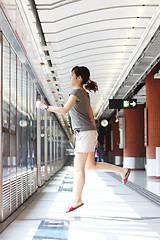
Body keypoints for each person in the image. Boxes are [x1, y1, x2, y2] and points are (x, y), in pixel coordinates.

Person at [36, 66, 131, 213]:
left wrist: (45, 107)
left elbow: (64, 110)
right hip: (88, 133)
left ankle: (77, 200)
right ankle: (122, 170)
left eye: (72, 75)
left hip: (85, 134)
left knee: (79, 168)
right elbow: (91, 115)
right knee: (90, 166)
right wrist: (95, 134)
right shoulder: (85, 94)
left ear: (79, 78)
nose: (70, 78)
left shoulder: (76, 93)